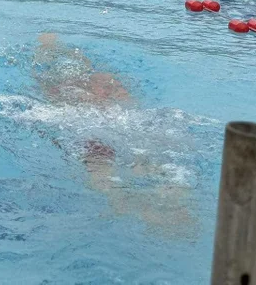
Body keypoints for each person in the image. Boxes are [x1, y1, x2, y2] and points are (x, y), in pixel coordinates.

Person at [32, 33, 195, 236]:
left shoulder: (57, 88)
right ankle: (170, 201)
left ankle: (122, 200)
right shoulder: (104, 81)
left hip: (91, 129)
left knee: (104, 168)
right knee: (148, 162)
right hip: (124, 127)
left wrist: (48, 45)